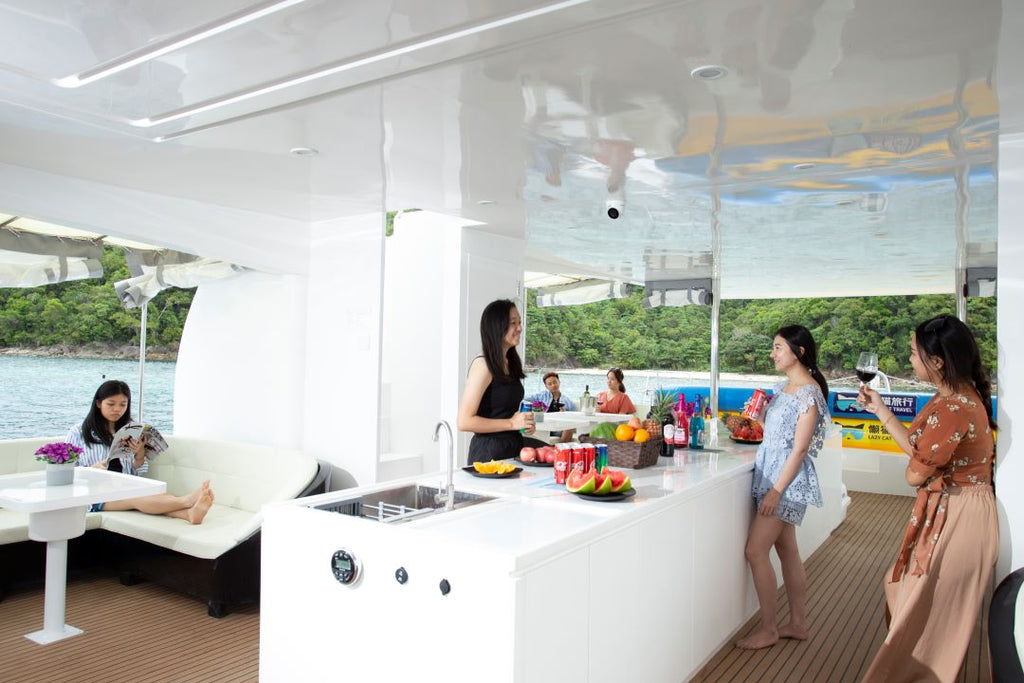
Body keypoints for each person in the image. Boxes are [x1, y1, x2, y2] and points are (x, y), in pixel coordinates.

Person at [859, 314, 997, 682]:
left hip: (959, 513)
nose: (910, 361)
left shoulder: (952, 408)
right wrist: (881, 410)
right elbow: (922, 456)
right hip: (961, 507)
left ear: (937, 362)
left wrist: (920, 470)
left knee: (927, 616)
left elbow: (914, 473)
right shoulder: (957, 396)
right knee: (907, 594)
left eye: (914, 354)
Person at [737, 325, 830, 650]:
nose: (772, 353)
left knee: (755, 550)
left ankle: (769, 629)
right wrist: (761, 415)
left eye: (778, 347)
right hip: (773, 474)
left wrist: (776, 491)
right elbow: (777, 435)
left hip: (784, 482)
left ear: (799, 351)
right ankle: (798, 624)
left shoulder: (808, 393)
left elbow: (800, 449)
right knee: (787, 550)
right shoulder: (784, 387)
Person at [68, 379, 215, 524]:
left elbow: (137, 469)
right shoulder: (79, 432)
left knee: (156, 493)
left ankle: (189, 514)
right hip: (93, 493)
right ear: (99, 403)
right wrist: (91, 470)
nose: (117, 409)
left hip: (125, 484)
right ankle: (186, 501)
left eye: (123, 405)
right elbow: (67, 470)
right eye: (111, 404)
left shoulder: (131, 429)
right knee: (135, 498)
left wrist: (139, 452)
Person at [457, 300, 546, 464]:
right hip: (488, 453)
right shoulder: (483, 365)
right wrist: (511, 423)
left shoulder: (509, 363)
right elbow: (464, 421)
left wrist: (522, 424)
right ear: (497, 327)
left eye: (519, 322)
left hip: (512, 448)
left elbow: (505, 414)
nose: (519, 328)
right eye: (513, 323)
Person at [525, 371, 577, 442]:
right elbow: (524, 398)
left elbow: (575, 418)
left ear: (559, 382)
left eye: (555, 382)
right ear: (546, 386)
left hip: (558, 429)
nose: (553, 385)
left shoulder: (567, 401)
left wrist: (565, 415)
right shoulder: (541, 396)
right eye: (550, 384)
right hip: (543, 426)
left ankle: (561, 450)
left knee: (569, 426)